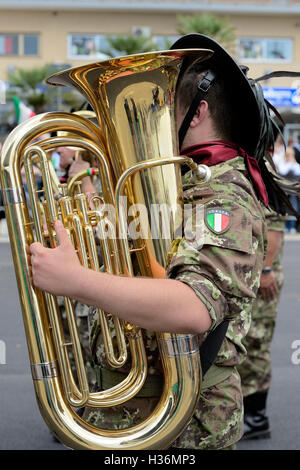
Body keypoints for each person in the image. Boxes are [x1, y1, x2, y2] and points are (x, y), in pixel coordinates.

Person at [27, 34, 294, 450]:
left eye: (162, 108)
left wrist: (75, 280)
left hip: (185, 426)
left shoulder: (226, 194)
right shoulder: (180, 179)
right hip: (134, 407)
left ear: (199, 112)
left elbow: (193, 308)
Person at [238, 207, 285, 440]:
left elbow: (275, 228)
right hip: (241, 277)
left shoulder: (263, 173)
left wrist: (266, 270)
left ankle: (257, 417)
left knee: (255, 343)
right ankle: (242, 412)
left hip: (261, 278)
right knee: (237, 344)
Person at [277, 146, 300, 232]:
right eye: (287, 155)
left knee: (293, 208)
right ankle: (285, 226)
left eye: (290, 155)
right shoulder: (283, 164)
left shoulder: (296, 165)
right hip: (283, 190)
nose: (288, 157)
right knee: (283, 208)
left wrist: (292, 164)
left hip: (293, 191)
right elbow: (282, 171)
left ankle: (292, 226)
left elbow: (298, 172)